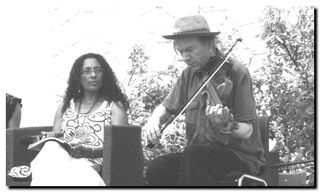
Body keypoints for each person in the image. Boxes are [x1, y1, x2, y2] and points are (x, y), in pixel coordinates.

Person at [143, 15, 265, 186]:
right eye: (180, 51)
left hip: (238, 157)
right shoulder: (188, 75)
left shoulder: (236, 72)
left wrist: (226, 125)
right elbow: (165, 107)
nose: (185, 57)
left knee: (195, 155)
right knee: (158, 167)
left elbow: (247, 131)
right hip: (199, 157)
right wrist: (153, 120)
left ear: (209, 44)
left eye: (190, 50)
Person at [30, 53, 129, 186]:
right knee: (51, 146)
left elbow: (120, 147)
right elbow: (57, 138)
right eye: (87, 71)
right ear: (78, 77)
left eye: (98, 70)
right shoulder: (65, 106)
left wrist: (90, 151)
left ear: (104, 75)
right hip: (62, 159)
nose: (93, 75)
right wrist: (51, 137)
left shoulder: (114, 106)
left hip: (94, 162)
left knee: (61, 172)